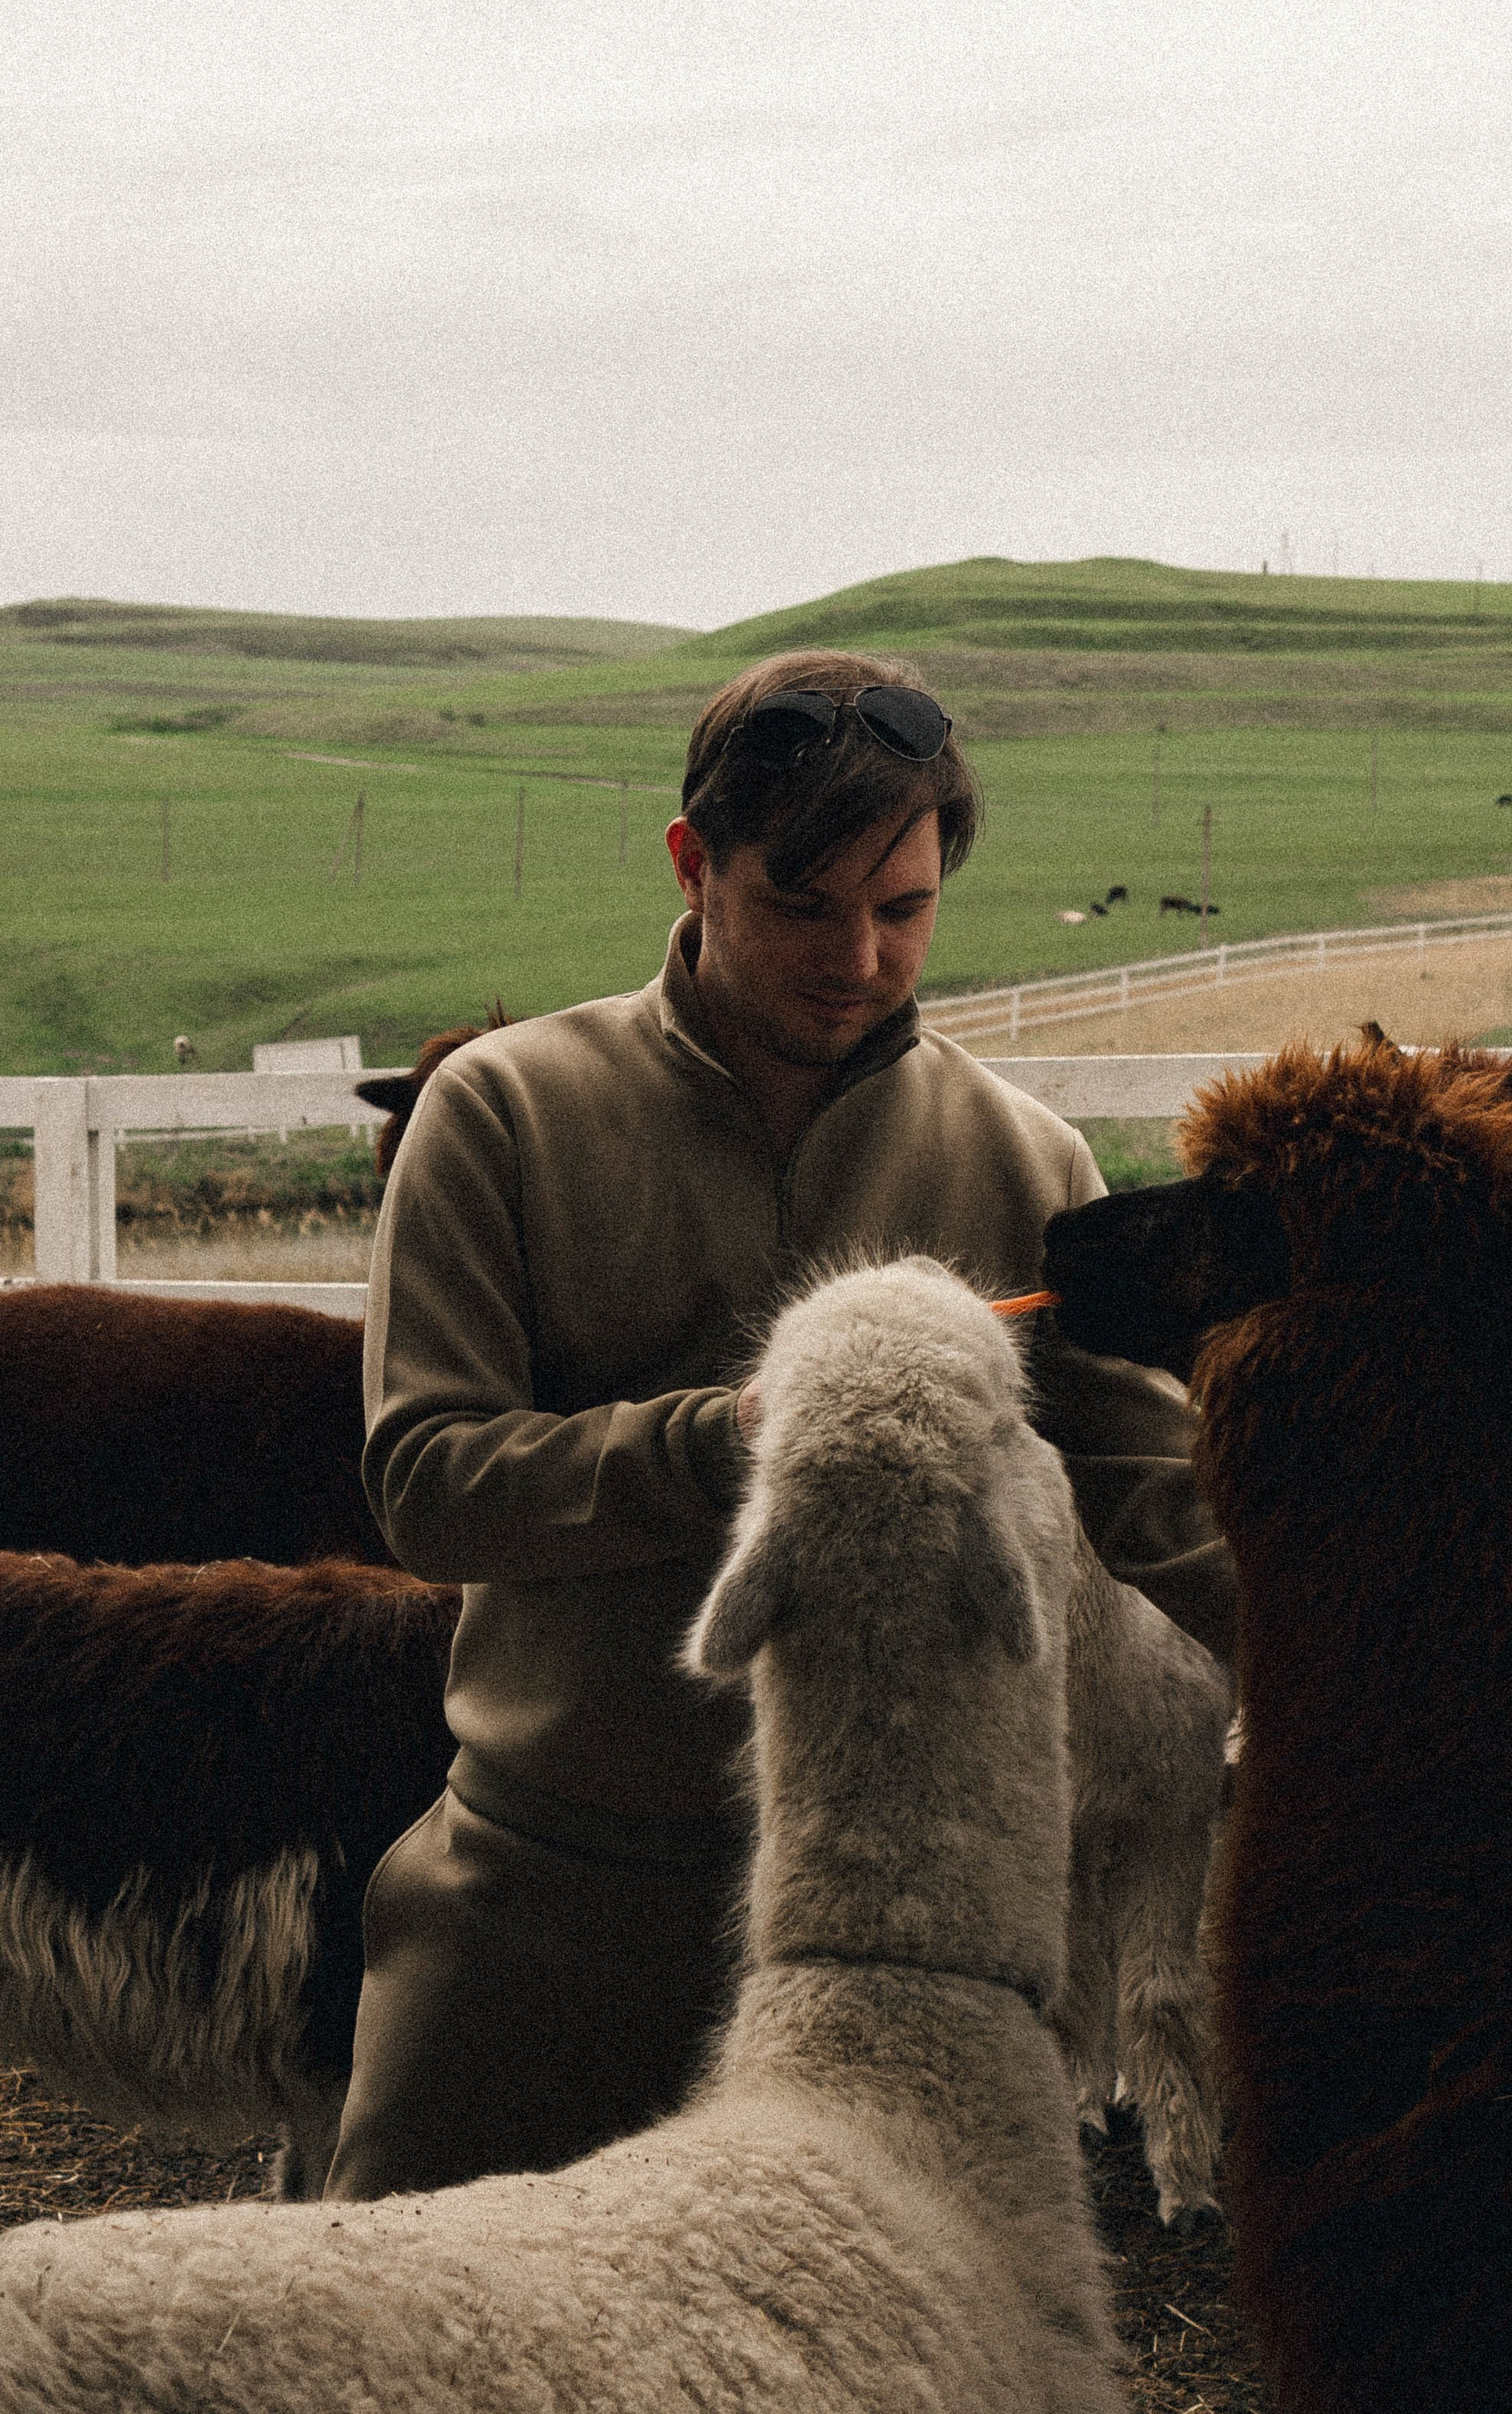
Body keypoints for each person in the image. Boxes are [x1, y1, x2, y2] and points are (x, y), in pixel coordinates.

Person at [324, 645, 1231, 2204]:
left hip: (903, 1944)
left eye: (904, 909)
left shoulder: (1026, 1166)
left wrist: (1408, 1651)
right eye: (799, 904)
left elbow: (1169, 1507)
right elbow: (428, 1484)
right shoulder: (500, 1117)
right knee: (398, 2333)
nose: (860, 957)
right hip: (547, 1895)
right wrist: (750, 1442)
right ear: (692, 863)